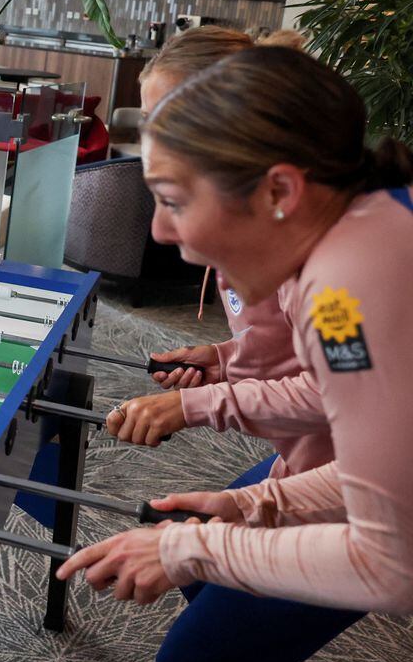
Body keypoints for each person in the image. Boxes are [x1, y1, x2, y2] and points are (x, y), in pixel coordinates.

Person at [58, 47, 413, 662]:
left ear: (280, 191)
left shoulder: (341, 297)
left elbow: (390, 563)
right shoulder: (368, 229)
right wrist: (257, 507)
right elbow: (387, 468)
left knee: (204, 659)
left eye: (173, 200)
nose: (161, 231)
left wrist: (193, 545)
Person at [108, 27, 332, 483]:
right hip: (307, 462)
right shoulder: (250, 216)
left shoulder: (327, 263)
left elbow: (339, 392)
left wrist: (198, 405)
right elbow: (292, 346)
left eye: (169, 120)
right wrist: (226, 359)